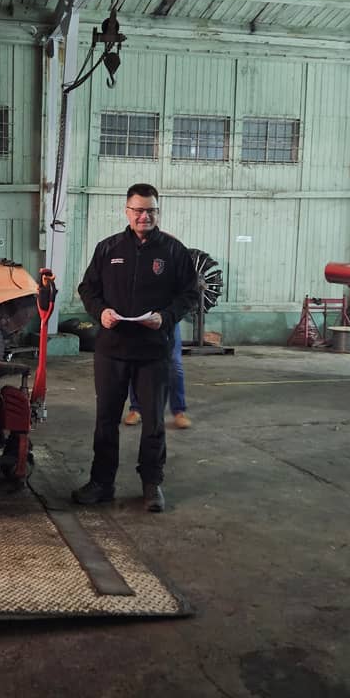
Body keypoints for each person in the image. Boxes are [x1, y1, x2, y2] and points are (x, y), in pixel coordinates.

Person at [73, 184, 200, 512]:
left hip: (153, 351)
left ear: (158, 212)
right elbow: (88, 288)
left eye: (151, 211)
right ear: (127, 211)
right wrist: (100, 311)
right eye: (138, 210)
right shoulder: (108, 248)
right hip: (111, 350)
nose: (145, 216)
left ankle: (152, 484)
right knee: (106, 420)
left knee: (154, 422)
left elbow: (190, 294)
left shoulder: (173, 251)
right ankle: (101, 483)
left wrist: (166, 317)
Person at [124, 321, 191, 429]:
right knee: (137, 361)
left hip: (168, 319)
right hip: (141, 318)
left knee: (174, 364)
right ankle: (136, 409)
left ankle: (179, 411)